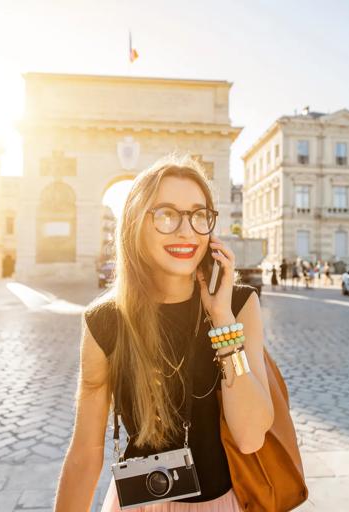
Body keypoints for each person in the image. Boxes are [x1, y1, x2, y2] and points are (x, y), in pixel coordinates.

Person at [54, 155, 274, 512]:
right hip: (139, 505)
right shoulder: (105, 320)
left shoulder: (238, 305)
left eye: (199, 215)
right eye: (167, 214)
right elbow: (85, 452)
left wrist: (221, 319)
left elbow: (250, 437)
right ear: (135, 224)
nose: (186, 231)